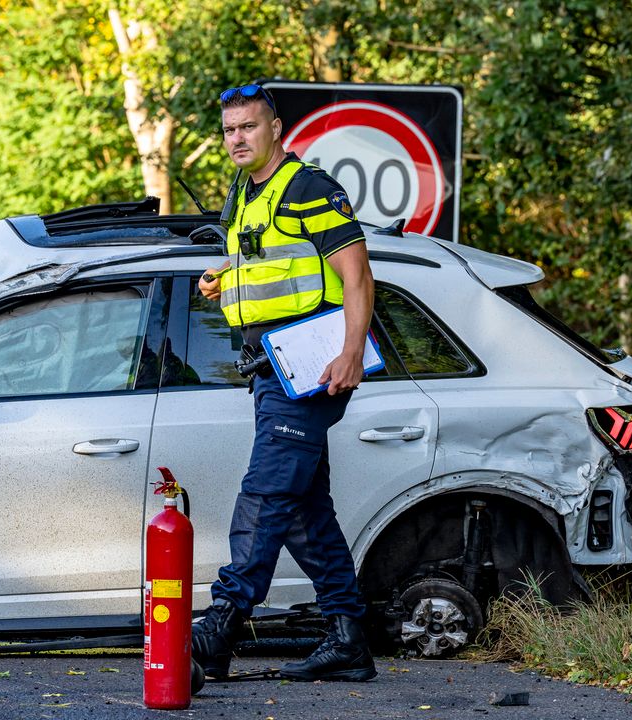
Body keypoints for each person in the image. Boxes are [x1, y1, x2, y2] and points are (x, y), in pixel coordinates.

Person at [191, 80, 377, 683]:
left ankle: (221, 621)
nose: (237, 138)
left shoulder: (309, 189)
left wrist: (351, 352)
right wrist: (222, 277)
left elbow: (357, 278)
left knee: (267, 490)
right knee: (301, 509)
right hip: (269, 364)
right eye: (228, 130)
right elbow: (267, 263)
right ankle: (348, 638)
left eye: (248, 126)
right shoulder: (244, 194)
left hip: (314, 365)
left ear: (276, 128)